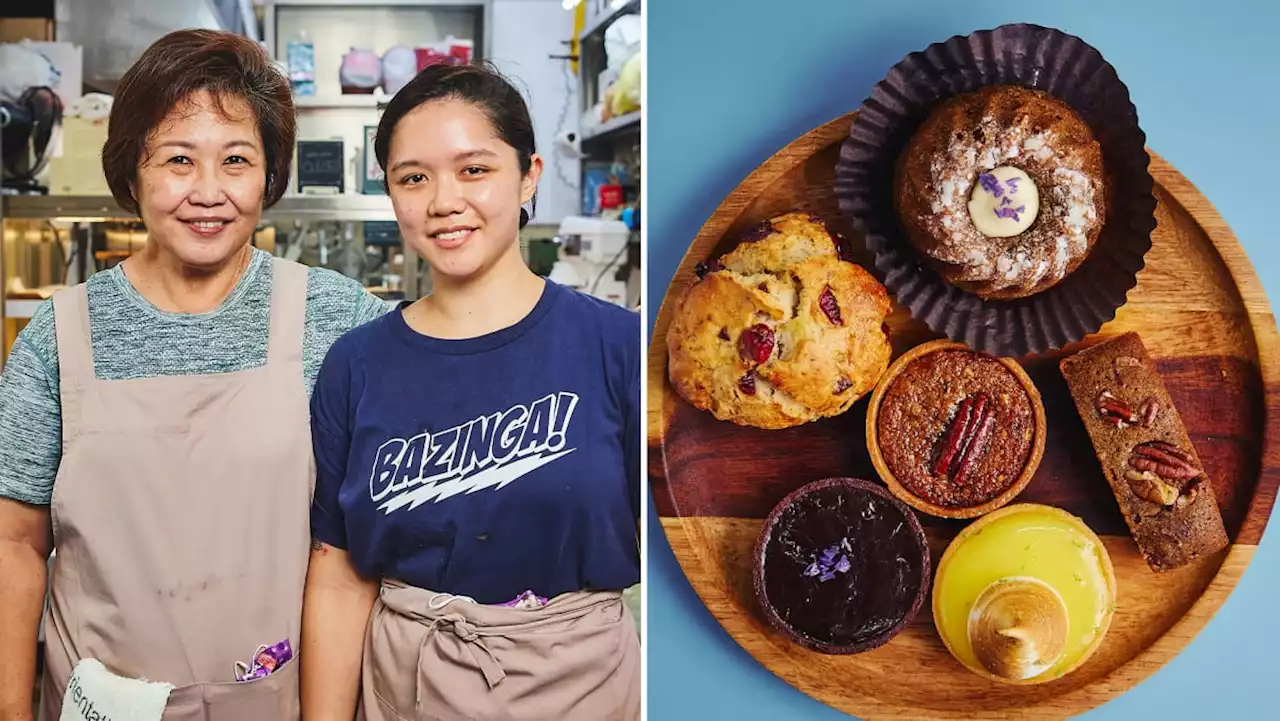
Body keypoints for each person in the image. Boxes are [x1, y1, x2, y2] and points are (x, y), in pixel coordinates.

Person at [0, 30, 387, 721]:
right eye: (178, 159)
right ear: (132, 174)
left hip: (283, 702)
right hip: (101, 704)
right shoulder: (58, 339)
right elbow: (14, 544)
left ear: (269, 175)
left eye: (236, 160)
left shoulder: (338, 320)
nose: (208, 192)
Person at [300, 63, 641, 720]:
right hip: (409, 685)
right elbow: (340, 580)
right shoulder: (355, 365)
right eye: (413, 177)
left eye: (474, 169)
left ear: (529, 175)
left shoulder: (615, 346)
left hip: (583, 688)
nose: (442, 200)